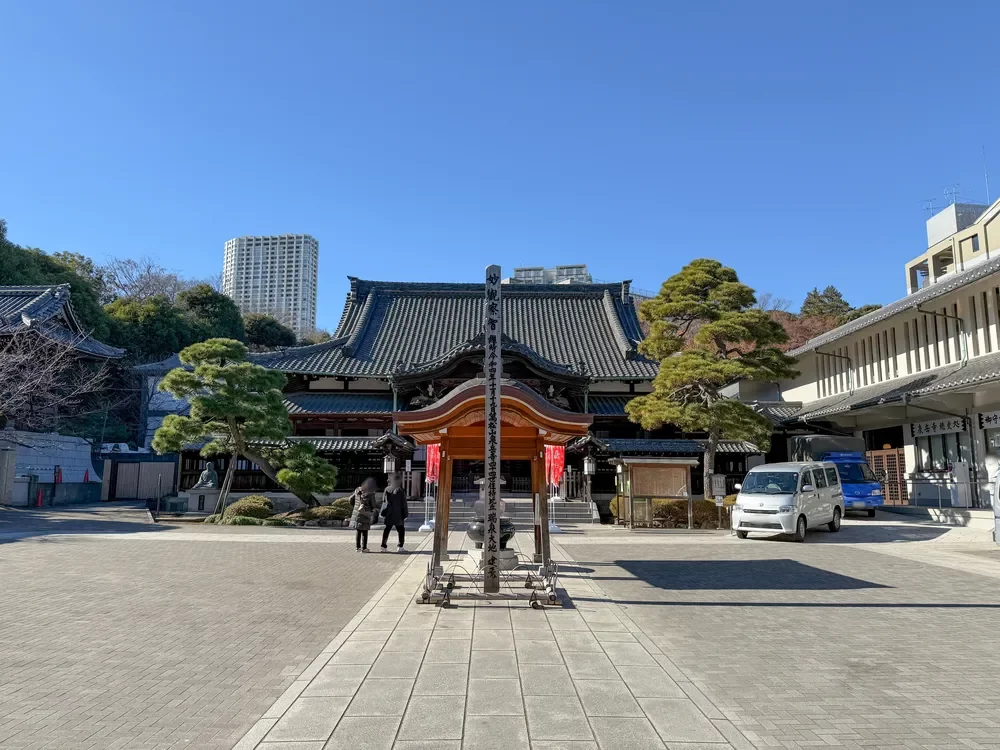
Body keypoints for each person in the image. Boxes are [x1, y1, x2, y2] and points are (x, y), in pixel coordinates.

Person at [380, 471, 408, 552]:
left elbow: (384, 502)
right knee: (401, 530)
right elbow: (404, 504)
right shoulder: (400, 490)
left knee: (387, 530)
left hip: (389, 513)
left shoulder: (387, 489)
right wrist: (405, 514)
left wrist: (383, 513)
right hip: (398, 514)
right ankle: (400, 546)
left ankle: (383, 546)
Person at [350, 477, 377, 552]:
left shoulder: (357, 490)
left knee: (358, 531)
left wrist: (356, 506)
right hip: (365, 514)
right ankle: (364, 548)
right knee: (365, 532)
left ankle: (357, 548)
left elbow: (350, 500)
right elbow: (373, 505)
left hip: (358, 513)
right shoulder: (371, 493)